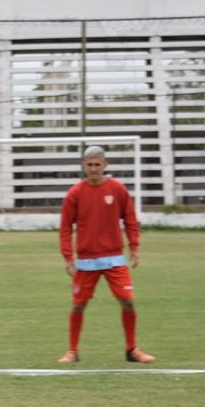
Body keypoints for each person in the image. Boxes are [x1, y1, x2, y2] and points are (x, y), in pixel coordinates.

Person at [58, 145, 154, 364]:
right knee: (78, 304)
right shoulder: (75, 193)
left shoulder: (117, 189)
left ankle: (132, 350)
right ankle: (72, 352)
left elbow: (130, 219)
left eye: (97, 165)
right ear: (84, 166)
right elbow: (65, 227)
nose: (93, 169)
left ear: (105, 165)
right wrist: (68, 257)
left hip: (114, 258)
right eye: (89, 165)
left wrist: (134, 246)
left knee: (127, 301)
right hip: (86, 261)